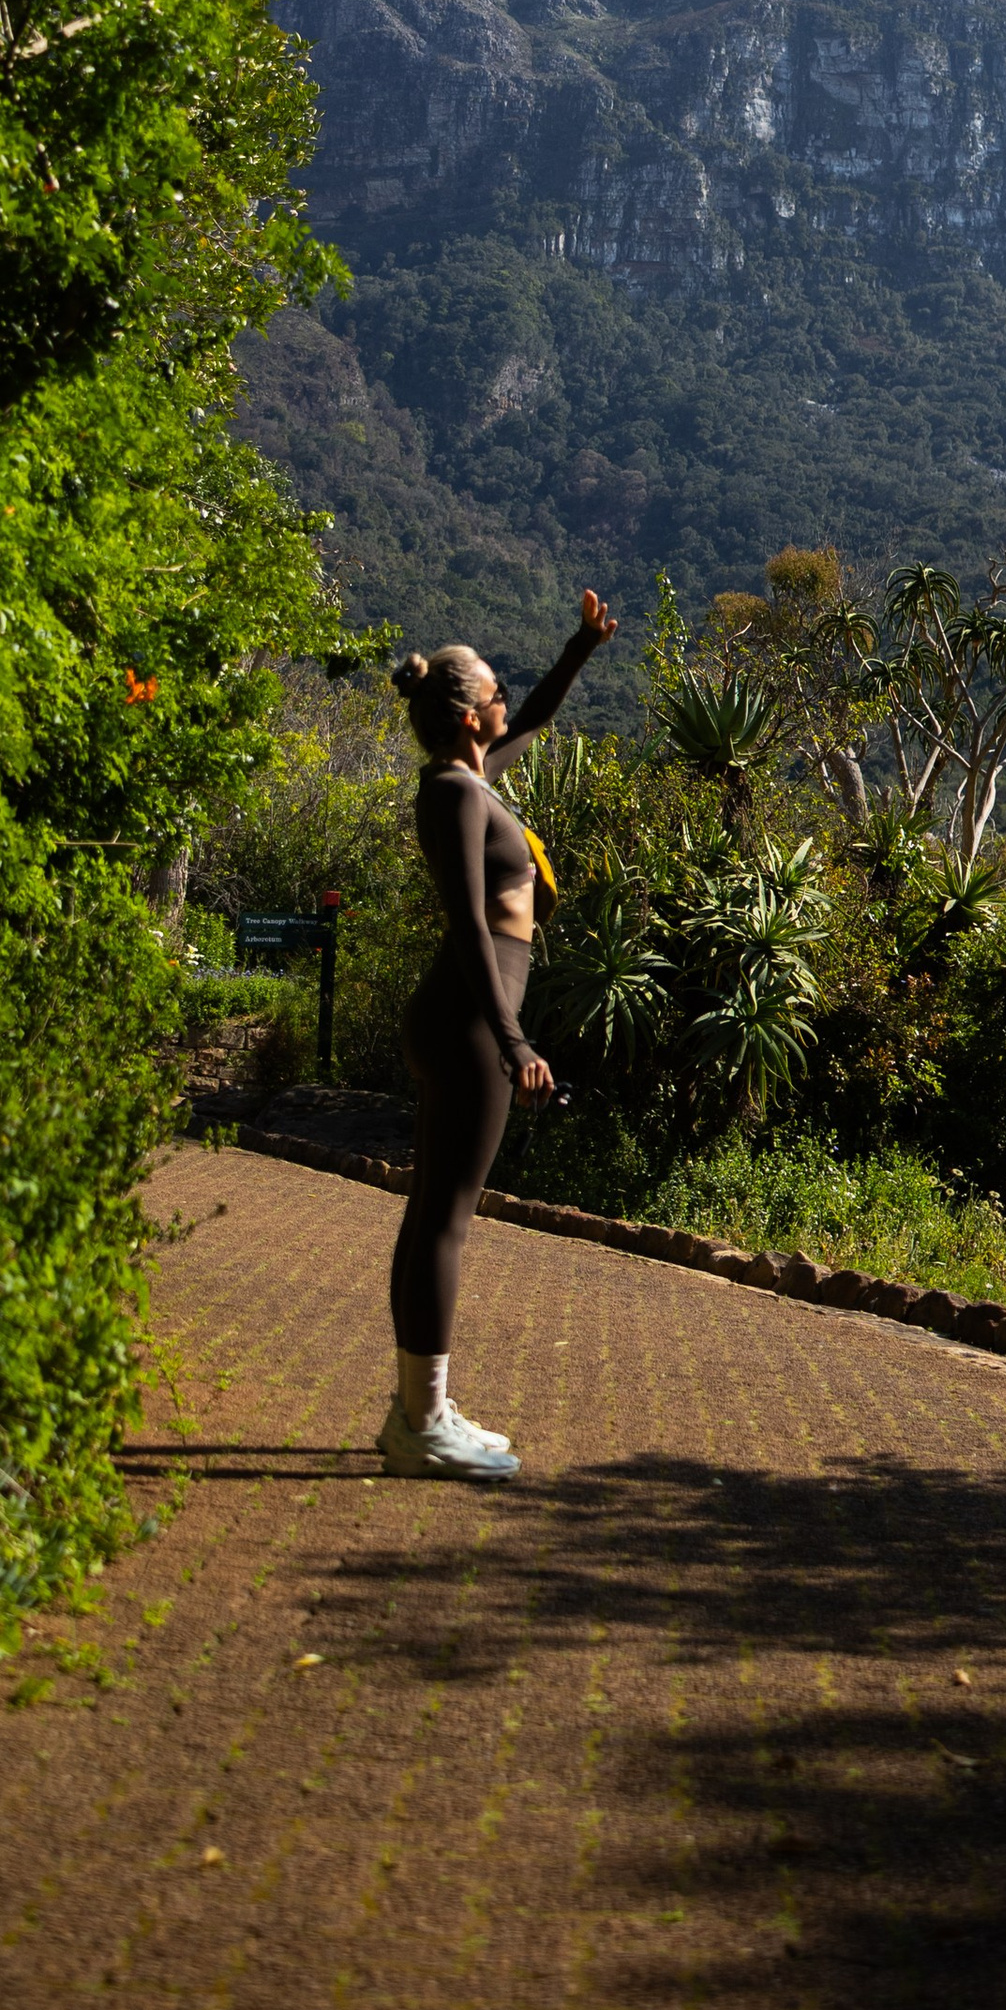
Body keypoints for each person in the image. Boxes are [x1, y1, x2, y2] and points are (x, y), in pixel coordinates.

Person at [378, 589, 619, 1479]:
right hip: (471, 1023)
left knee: (432, 1215)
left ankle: (420, 1411)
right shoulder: (452, 794)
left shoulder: (472, 780)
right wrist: (513, 1040)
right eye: (495, 690)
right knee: (445, 1222)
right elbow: (469, 926)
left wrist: (581, 646)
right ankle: (422, 1425)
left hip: (465, 1020)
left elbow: (540, 717)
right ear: (468, 714)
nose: (506, 698)